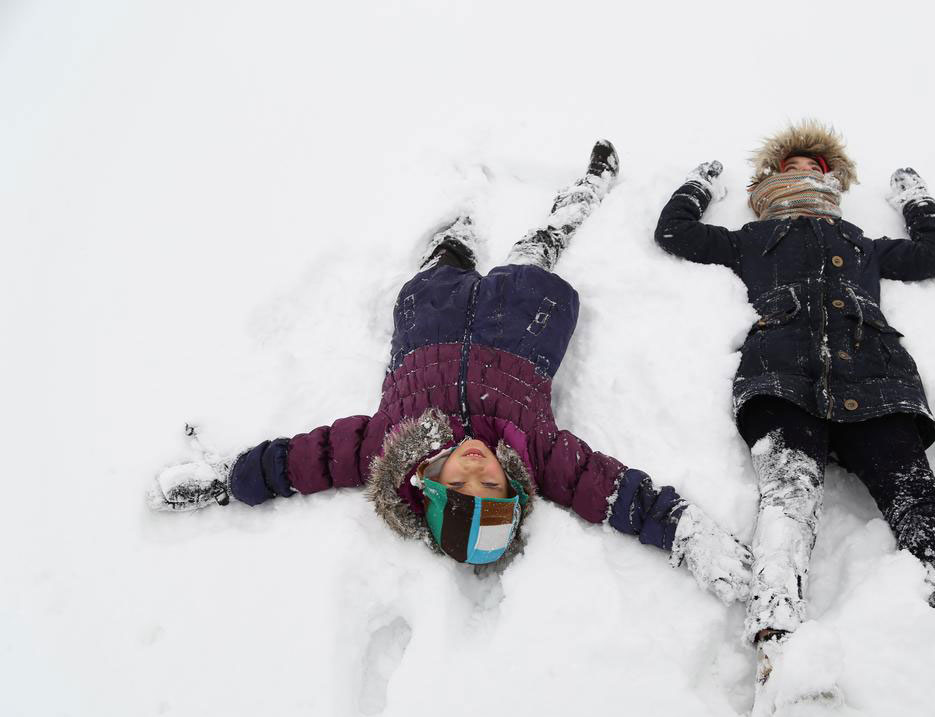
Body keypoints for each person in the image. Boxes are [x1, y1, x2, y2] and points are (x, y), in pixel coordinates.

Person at [149, 141, 752, 605]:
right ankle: (585, 192)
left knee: (442, 266)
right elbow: (616, 492)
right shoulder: (537, 454)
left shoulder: (383, 448)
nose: (477, 471)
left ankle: (456, 240)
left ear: (430, 488)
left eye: (461, 488)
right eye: (494, 487)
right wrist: (688, 536)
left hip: (432, 320)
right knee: (538, 249)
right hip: (519, 321)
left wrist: (232, 480)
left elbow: (302, 461)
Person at [654, 121, 935, 717]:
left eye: (818, 169)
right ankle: (778, 654)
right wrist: (698, 184)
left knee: (920, 505)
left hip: (877, 381)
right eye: (796, 167)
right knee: (787, 504)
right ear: (772, 180)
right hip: (782, 379)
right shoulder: (752, 239)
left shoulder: (861, 242)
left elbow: (934, 257)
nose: (808, 174)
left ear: (833, 183)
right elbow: (674, 234)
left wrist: (918, 201)